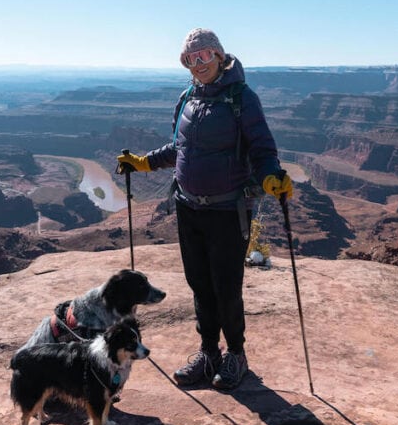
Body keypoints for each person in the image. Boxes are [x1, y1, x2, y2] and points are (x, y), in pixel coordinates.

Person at [117, 28, 292, 391]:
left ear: (219, 56)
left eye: (204, 56)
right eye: (190, 59)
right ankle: (209, 351)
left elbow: (262, 148)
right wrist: (144, 163)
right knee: (200, 285)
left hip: (228, 212)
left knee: (226, 287)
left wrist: (272, 177)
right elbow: (180, 149)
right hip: (188, 208)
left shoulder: (242, 98)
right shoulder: (187, 99)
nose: (198, 64)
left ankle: (236, 355)